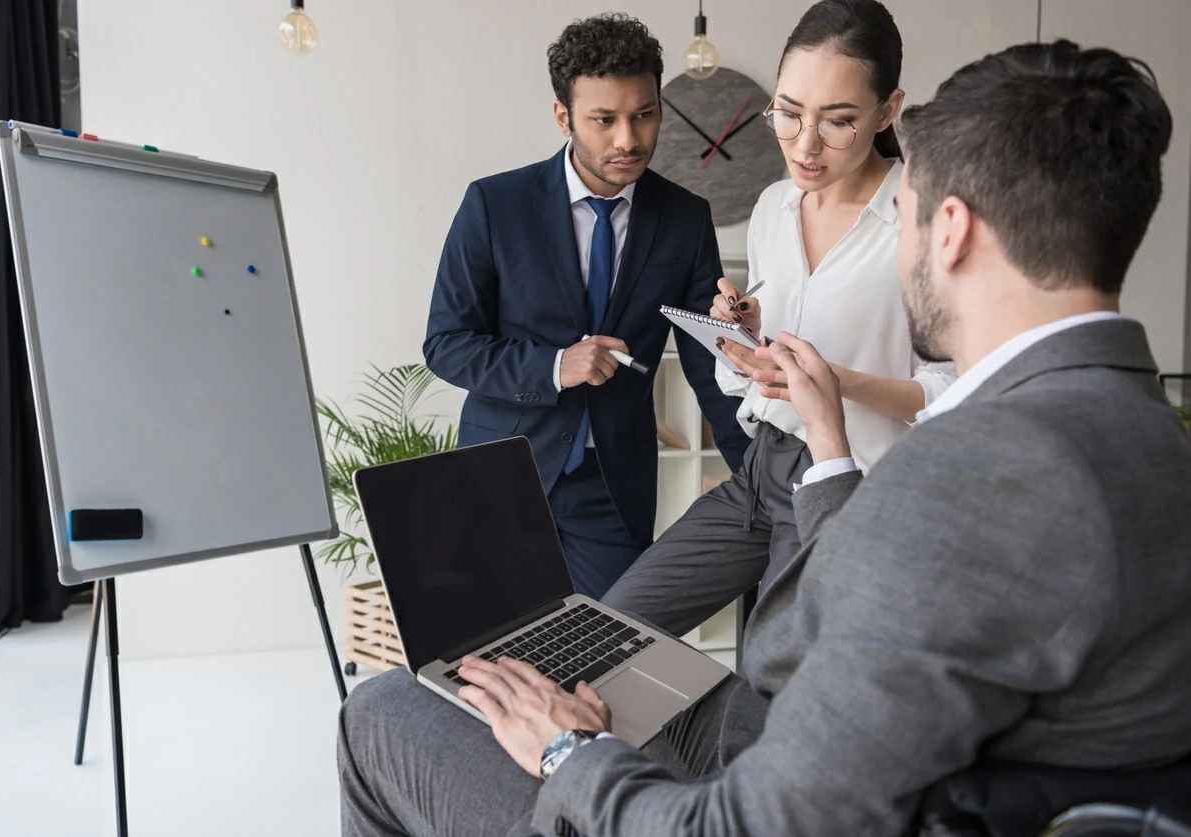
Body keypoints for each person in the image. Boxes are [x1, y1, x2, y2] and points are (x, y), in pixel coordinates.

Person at [338, 37, 1191, 837]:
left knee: (377, 714)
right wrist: (825, 440)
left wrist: (570, 753)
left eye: (903, 210)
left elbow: (749, 824)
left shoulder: (975, 477)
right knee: (612, 658)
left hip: (764, 783)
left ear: (954, 230)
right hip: (788, 720)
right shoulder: (1153, 442)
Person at [604, 0, 955, 637]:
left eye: (838, 122)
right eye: (788, 115)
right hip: (759, 472)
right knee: (614, 630)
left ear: (888, 109)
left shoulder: (927, 220)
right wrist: (742, 341)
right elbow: (752, 382)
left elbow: (954, 391)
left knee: (774, 682)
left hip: (852, 493)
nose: (805, 144)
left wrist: (832, 382)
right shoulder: (773, 205)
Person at [423, 13, 748, 600]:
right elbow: (446, 344)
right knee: (493, 661)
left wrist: (761, 478)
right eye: (604, 119)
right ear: (562, 116)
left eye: (644, 114)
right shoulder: (494, 205)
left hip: (612, 486)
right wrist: (555, 366)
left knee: (617, 659)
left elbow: (708, 363)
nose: (628, 138)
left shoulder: (685, 218)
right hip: (503, 473)